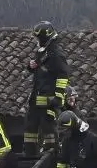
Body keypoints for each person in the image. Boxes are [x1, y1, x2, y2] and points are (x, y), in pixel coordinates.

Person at [24, 21, 70, 157]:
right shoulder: (43, 52)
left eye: (37, 38)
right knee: (30, 129)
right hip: (36, 99)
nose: (36, 40)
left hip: (48, 101)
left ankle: (51, 155)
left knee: (48, 129)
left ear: (43, 37)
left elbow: (63, 75)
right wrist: (30, 66)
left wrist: (58, 96)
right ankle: (29, 154)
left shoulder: (56, 54)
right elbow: (40, 71)